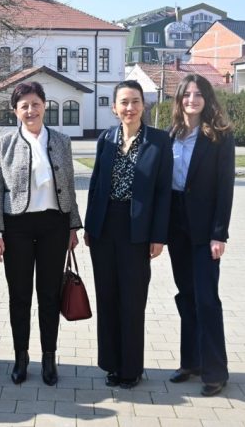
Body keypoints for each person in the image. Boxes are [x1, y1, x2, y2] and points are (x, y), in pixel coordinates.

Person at [0, 82, 81, 386]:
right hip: (17, 228)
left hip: (54, 226)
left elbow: (70, 186)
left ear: (45, 106)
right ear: (15, 110)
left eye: (36, 104)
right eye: (24, 105)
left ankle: (49, 357)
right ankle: (21, 356)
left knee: (50, 295)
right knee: (20, 296)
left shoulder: (62, 141)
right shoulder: (5, 143)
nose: (31, 110)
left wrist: (73, 226)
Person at [83, 80, 173, 389]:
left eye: (135, 101)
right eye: (124, 102)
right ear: (114, 108)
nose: (130, 107)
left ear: (143, 105)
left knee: (132, 300)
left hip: (138, 229)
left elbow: (163, 192)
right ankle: (111, 364)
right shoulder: (106, 138)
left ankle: (131, 368)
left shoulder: (159, 141)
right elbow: (95, 183)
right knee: (107, 297)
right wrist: (89, 226)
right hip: (104, 227)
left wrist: (158, 236)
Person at [166, 74, 235, 397]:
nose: (191, 100)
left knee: (206, 298)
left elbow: (225, 188)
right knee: (186, 296)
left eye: (198, 94)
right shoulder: (171, 134)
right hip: (177, 227)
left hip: (206, 230)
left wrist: (219, 234)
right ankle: (191, 362)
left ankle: (215, 371)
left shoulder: (220, 136)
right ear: (179, 99)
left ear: (207, 99)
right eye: (186, 94)